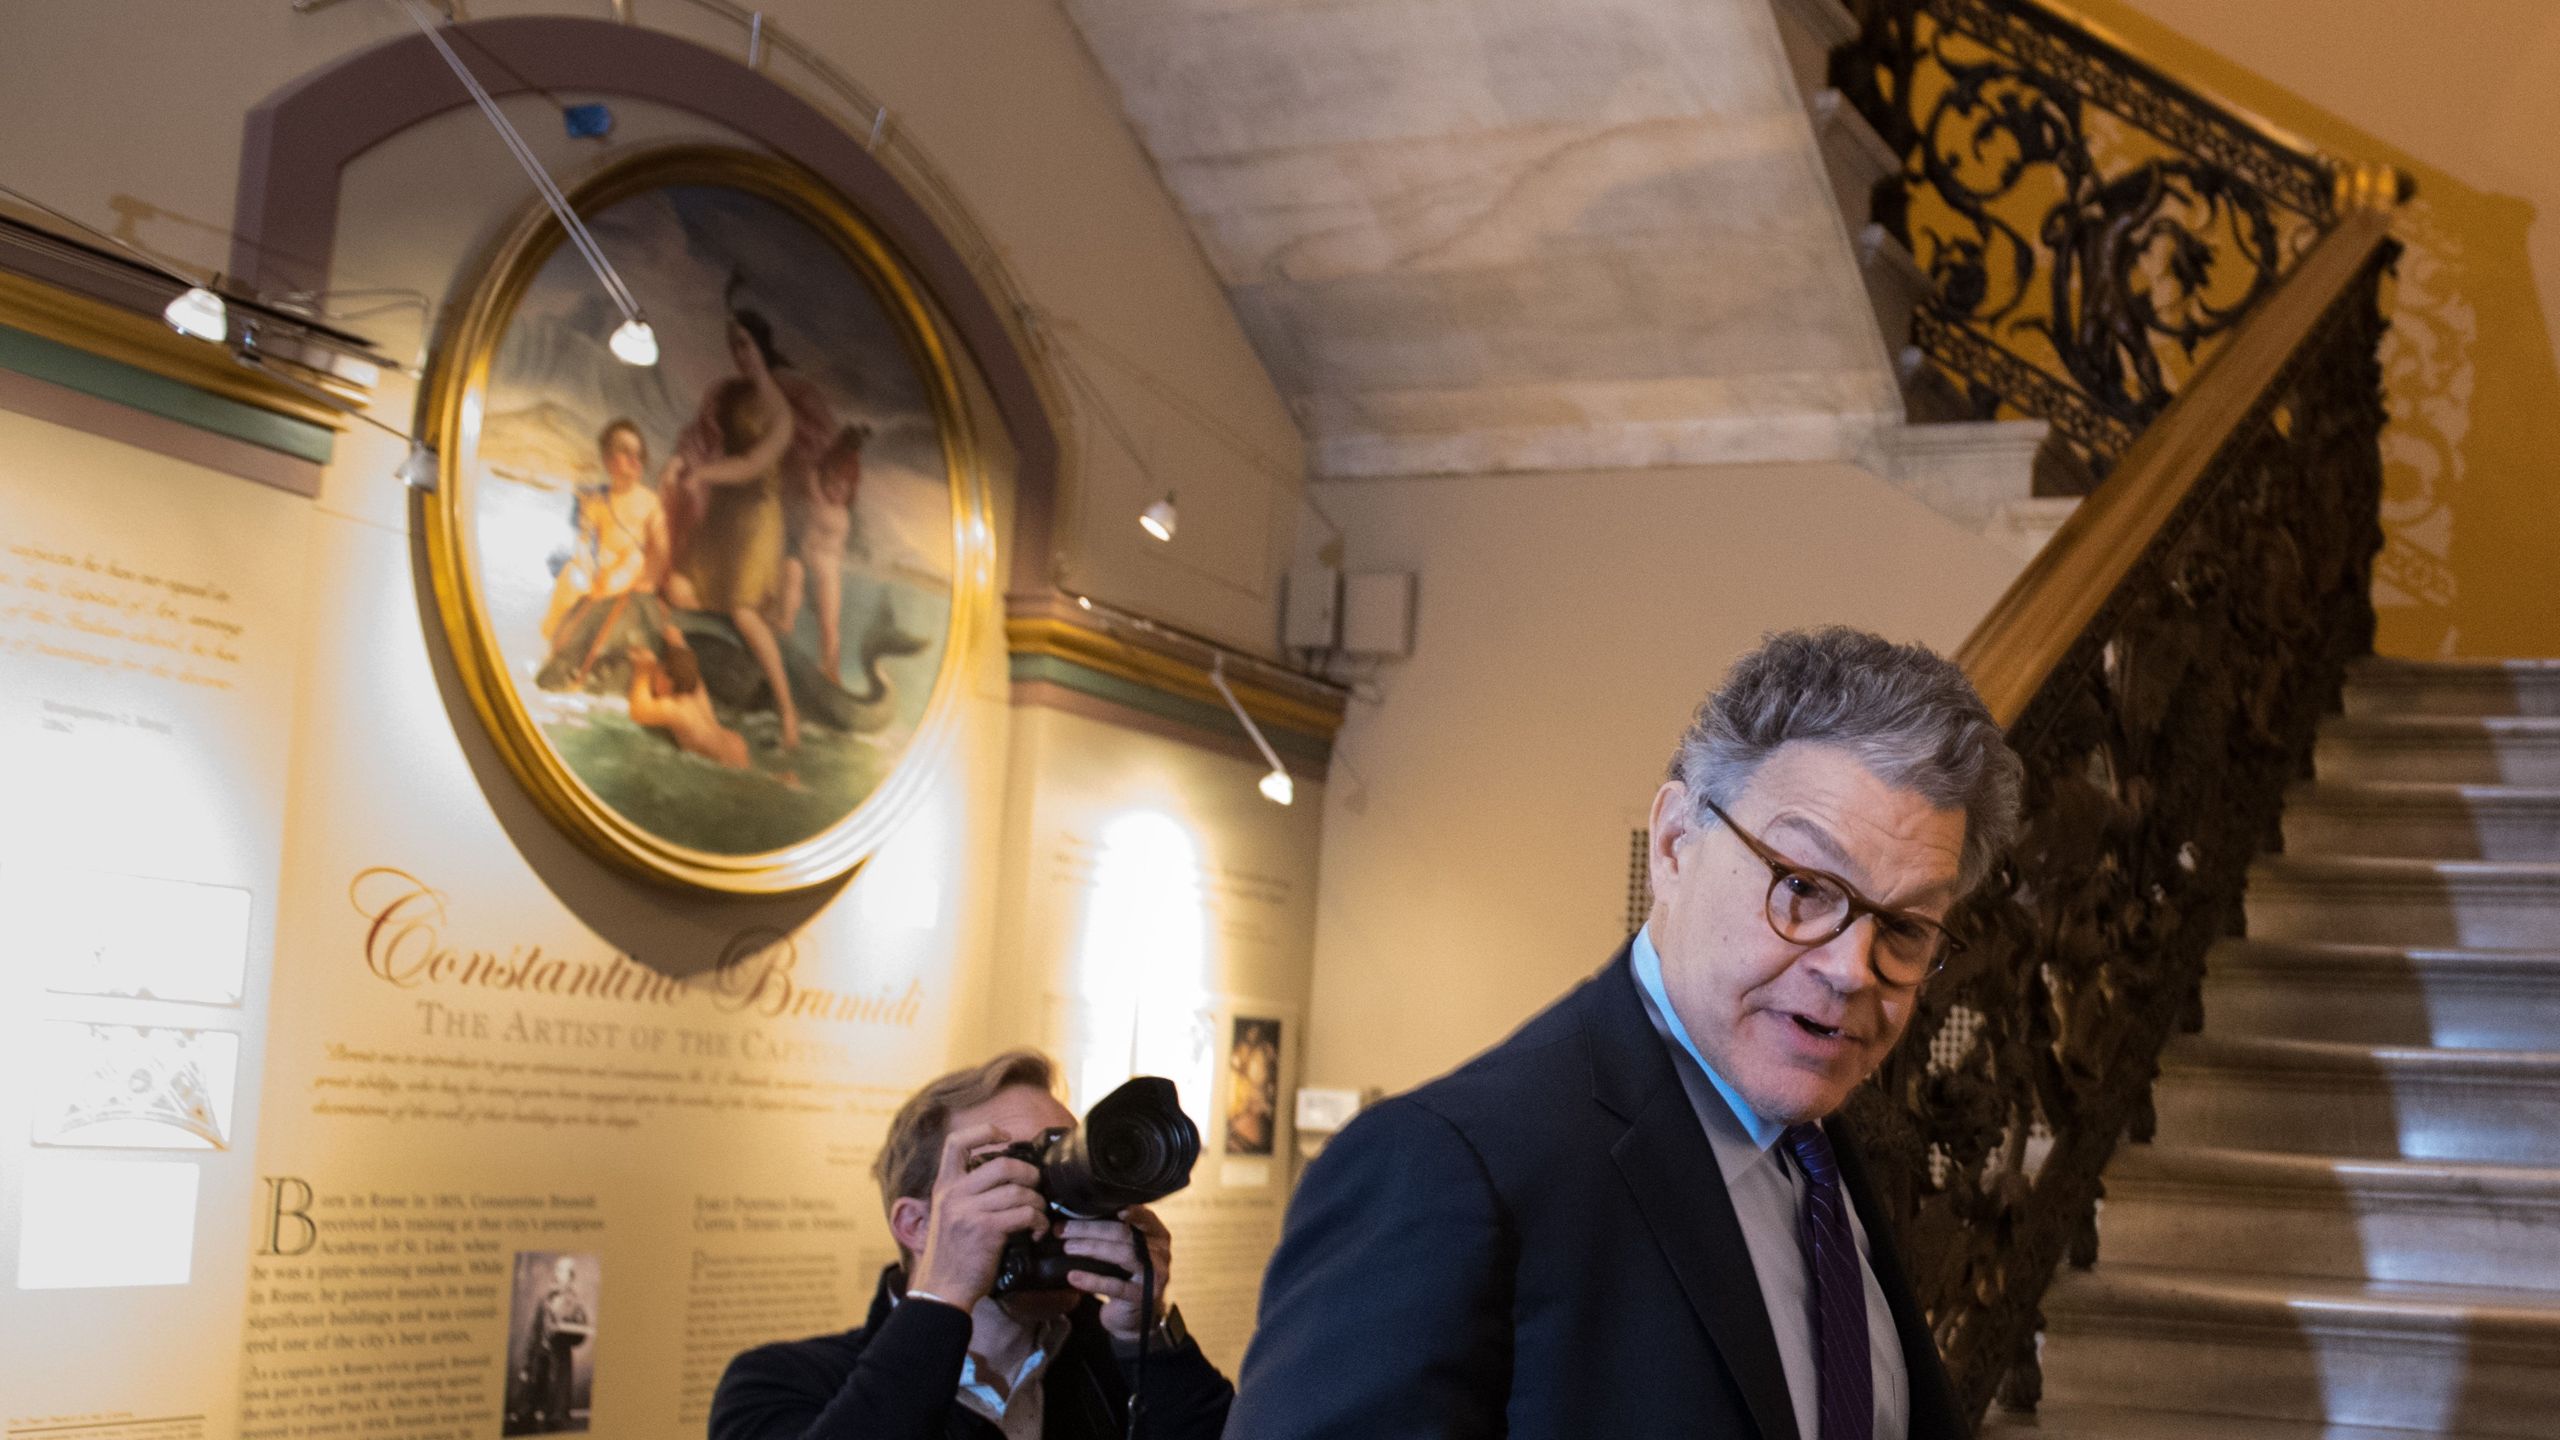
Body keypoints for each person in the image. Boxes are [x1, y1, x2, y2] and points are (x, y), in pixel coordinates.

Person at [1226, 627, 2024, 1440]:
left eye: (1906, 927)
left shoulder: (1836, 1154)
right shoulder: (1446, 1171)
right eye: (1805, 887)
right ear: (1676, 843)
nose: (1853, 968)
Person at [709, 1050, 1234, 1440]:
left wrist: (1149, 1336)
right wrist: (945, 1297)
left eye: (1060, 1168)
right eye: (1009, 1174)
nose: (1048, 1206)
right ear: (916, 1224)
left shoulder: (1110, 1362)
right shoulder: (780, 1382)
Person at [660, 334, 802, 749]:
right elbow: (702, 438)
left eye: (746, 345)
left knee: (742, 612)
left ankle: (788, 715)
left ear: (763, 349)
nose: (739, 355)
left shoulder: (781, 415)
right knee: (678, 591)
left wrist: (701, 474)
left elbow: (749, 465)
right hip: (722, 510)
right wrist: (681, 461)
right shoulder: (729, 393)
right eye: (734, 347)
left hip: (756, 516)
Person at [535, 418, 669, 689]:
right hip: (601, 567)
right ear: (609, 460)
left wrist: (648, 579)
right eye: (624, 452)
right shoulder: (596, 502)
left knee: (614, 580)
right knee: (571, 579)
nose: (633, 459)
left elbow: (661, 551)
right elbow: (584, 544)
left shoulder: (649, 502)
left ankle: (584, 665)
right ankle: (557, 650)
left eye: (637, 453)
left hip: (633, 566)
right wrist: (584, 566)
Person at [625, 627, 748, 770]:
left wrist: (643, 670)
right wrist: (676, 640)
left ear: (667, 683)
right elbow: (686, 660)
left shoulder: (675, 709)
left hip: (722, 763)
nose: (655, 673)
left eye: (658, 672)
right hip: (732, 746)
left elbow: (639, 712)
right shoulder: (695, 689)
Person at [520, 1255, 592, 1432]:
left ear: (570, 1276)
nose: (557, 1273)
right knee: (527, 1417)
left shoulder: (575, 1304)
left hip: (558, 1361)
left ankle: (554, 1419)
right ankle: (527, 1416)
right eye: (557, 1269)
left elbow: (580, 1336)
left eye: (562, 1270)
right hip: (539, 1358)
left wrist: (568, 1330)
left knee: (555, 1419)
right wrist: (527, 1364)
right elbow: (533, 1332)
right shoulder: (544, 1298)